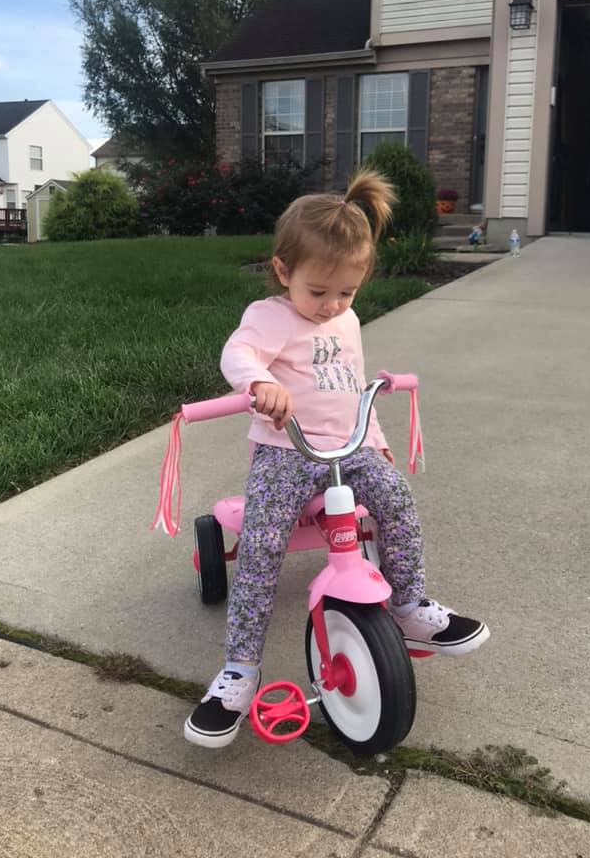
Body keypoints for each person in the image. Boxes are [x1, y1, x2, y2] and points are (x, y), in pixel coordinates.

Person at [184, 169, 490, 748]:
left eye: (345, 292)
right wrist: (259, 384)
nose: (331, 306)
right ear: (284, 272)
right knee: (262, 544)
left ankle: (407, 605)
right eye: (318, 292)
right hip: (288, 451)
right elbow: (238, 352)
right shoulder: (270, 315)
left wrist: (373, 435)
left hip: (350, 446)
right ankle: (240, 669)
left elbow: (351, 384)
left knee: (396, 499)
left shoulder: (346, 320)